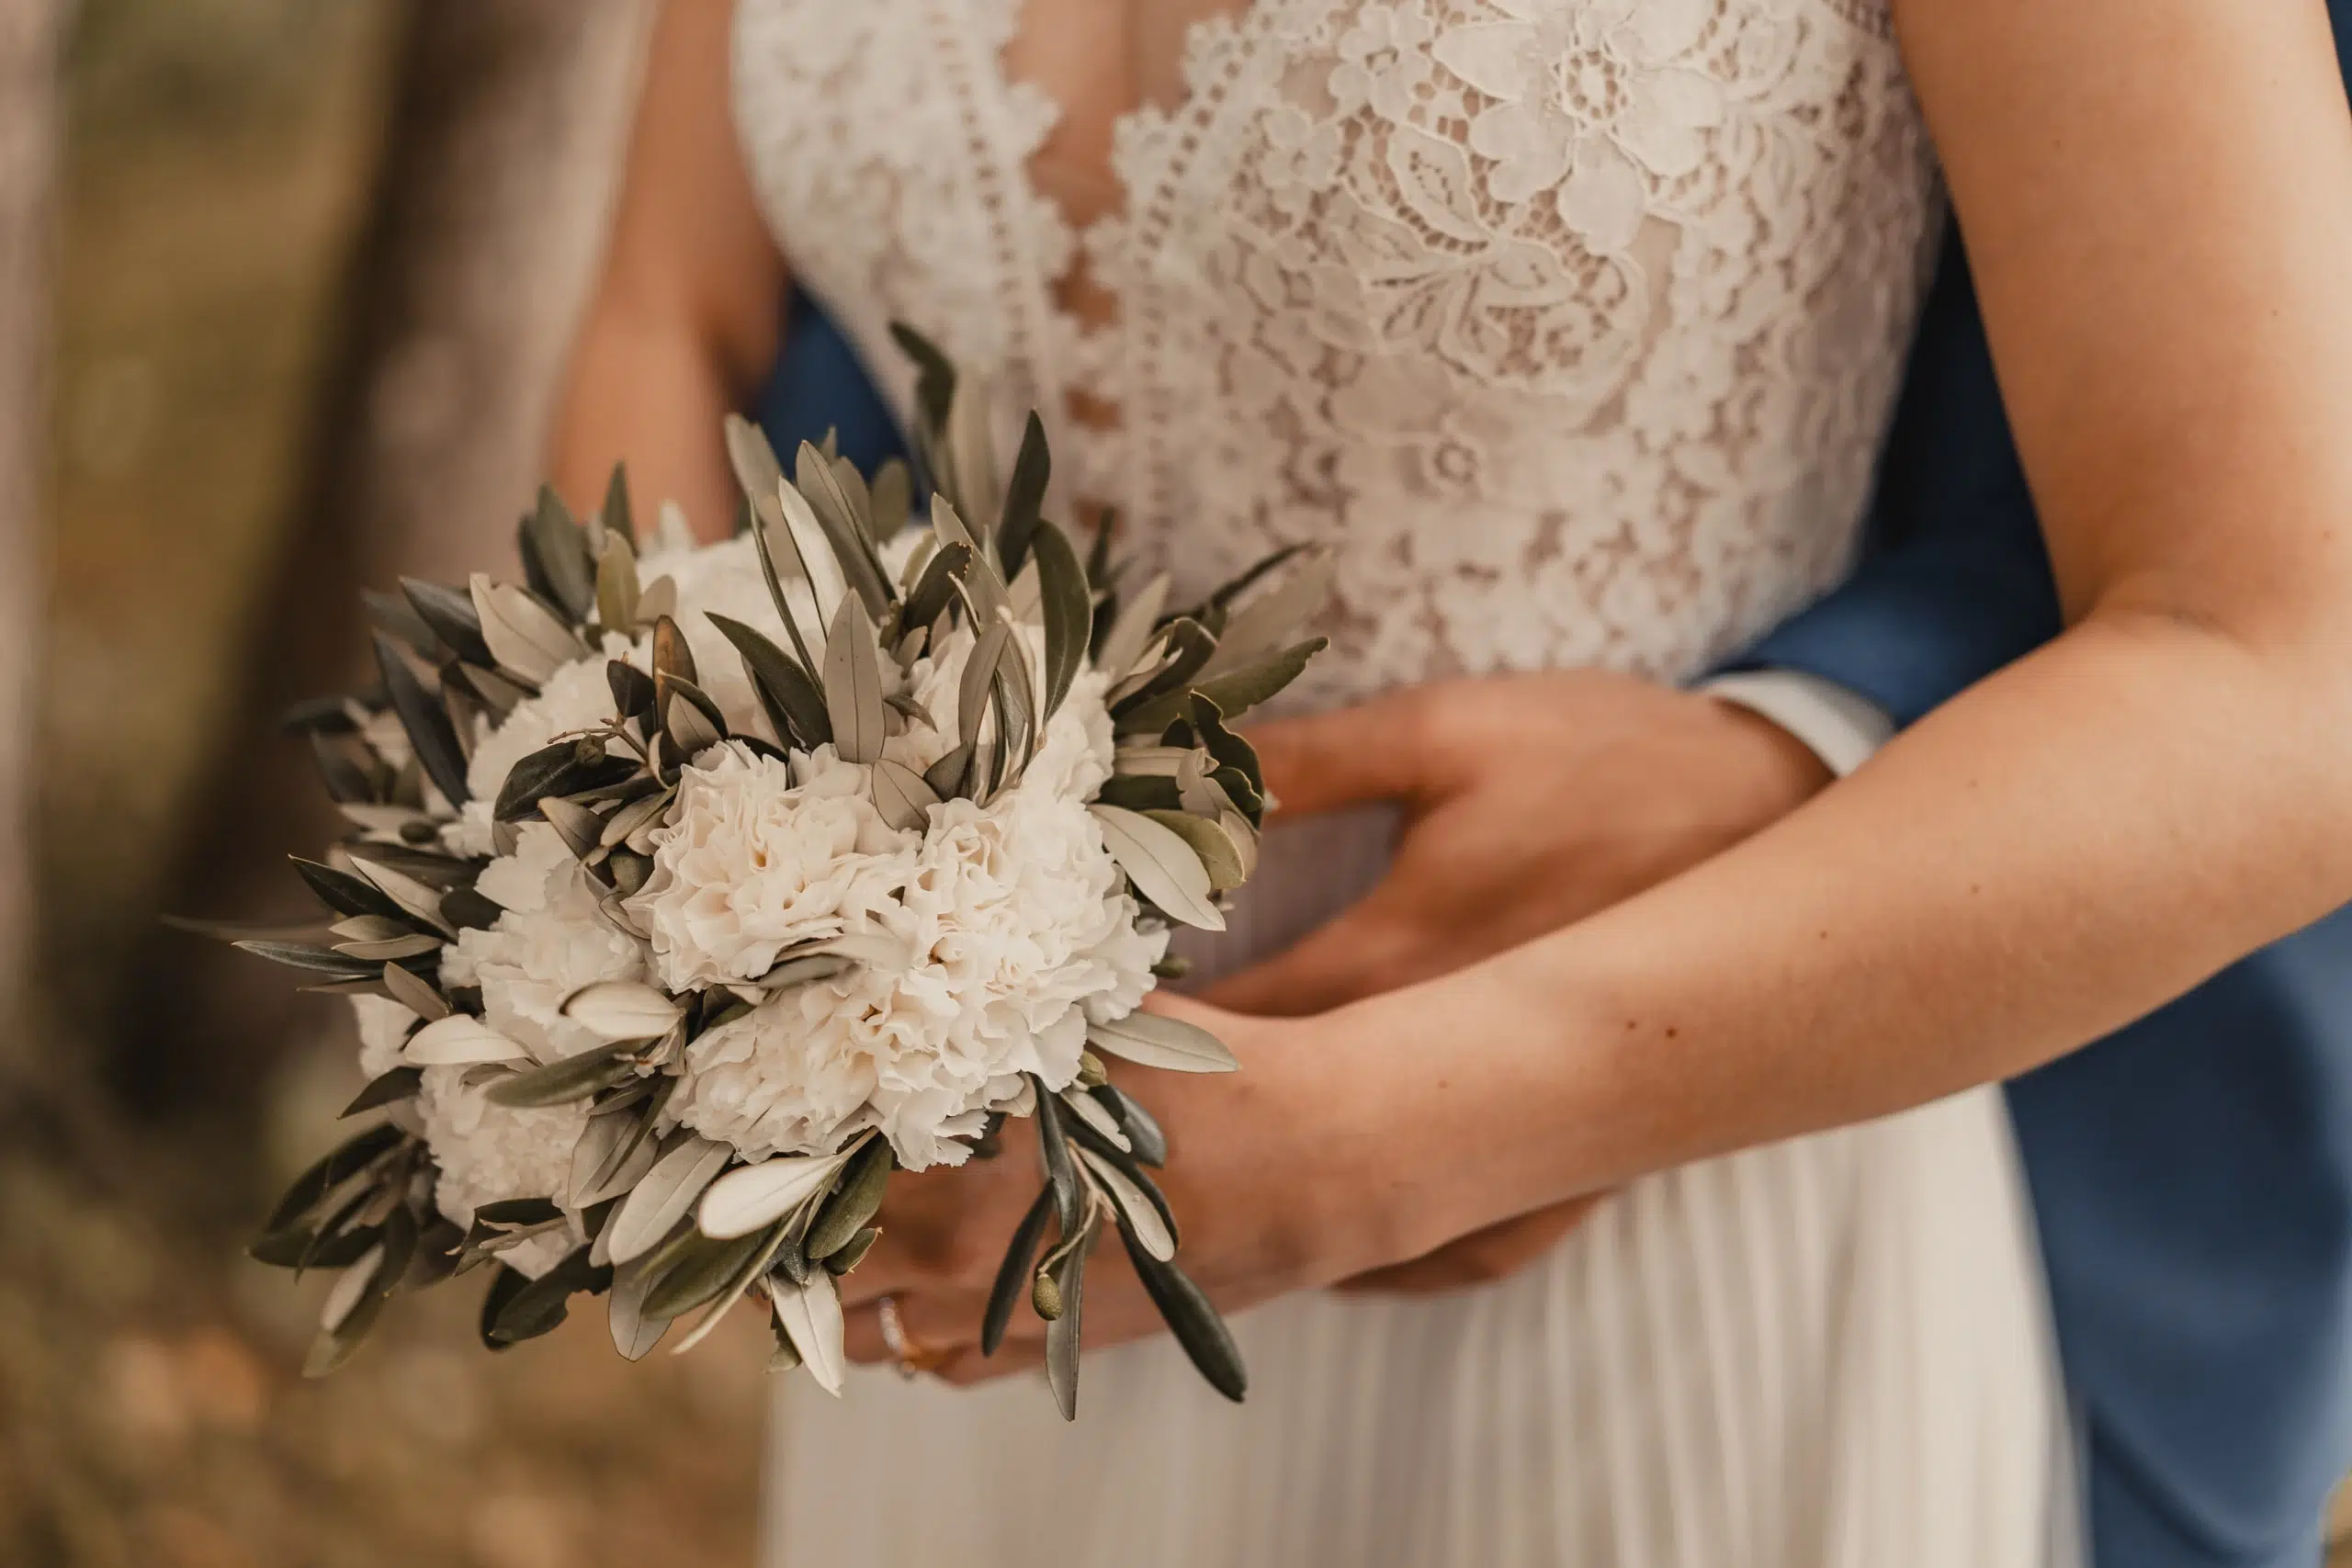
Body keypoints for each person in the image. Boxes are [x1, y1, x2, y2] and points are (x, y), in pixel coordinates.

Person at [550, 1, 2352, 1564]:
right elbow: (666, 307)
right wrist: (698, 869)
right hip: (975, 1213)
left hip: (1659, 1186)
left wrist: (1368, 1147)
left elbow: (2284, 668)